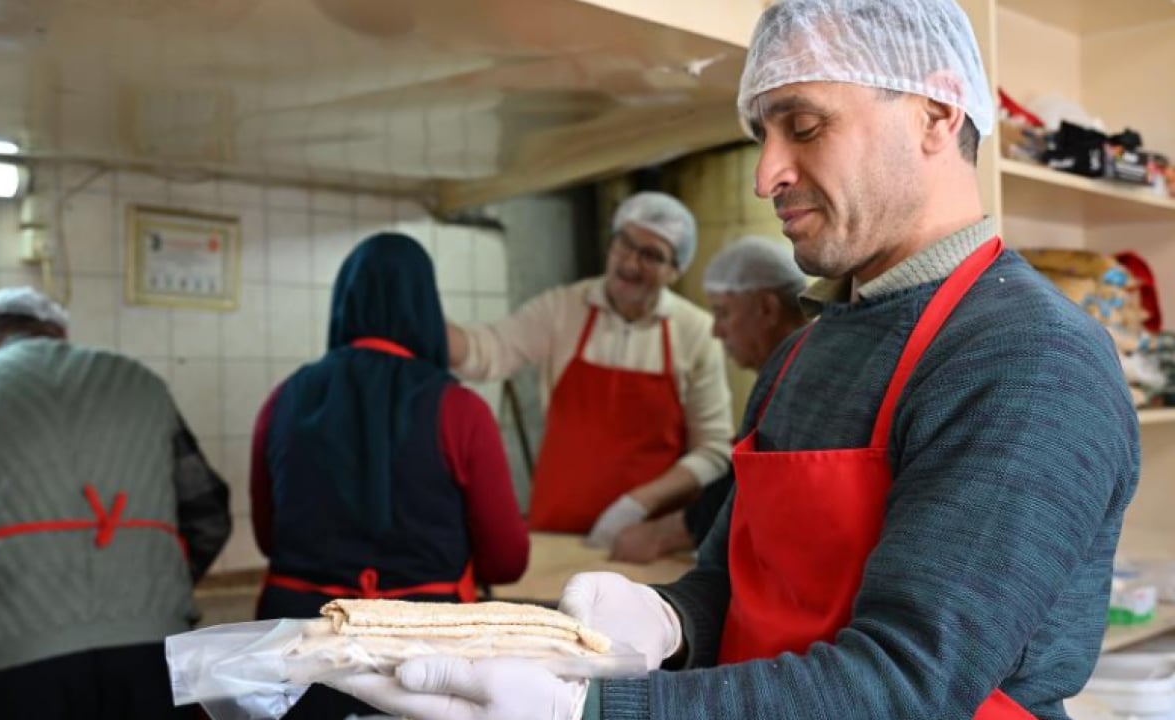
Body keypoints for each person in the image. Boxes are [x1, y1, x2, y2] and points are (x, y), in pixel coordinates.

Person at [328, 1, 1140, 718]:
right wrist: (671, 619)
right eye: (763, 135)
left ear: (935, 111)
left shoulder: (1029, 362)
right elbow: (734, 582)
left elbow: (908, 685)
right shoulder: (802, 357)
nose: (766, 175)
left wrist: (593, 711)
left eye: (806, 125)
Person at [0, 286, 232, 720]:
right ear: (60, 333)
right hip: (156, 659)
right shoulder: (141, 384)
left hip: (9, 667)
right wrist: (152, 588)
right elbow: (209, 518)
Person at [251, 232, 530, 720]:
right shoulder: (461, 410)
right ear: (428, 311)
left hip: (298, 657)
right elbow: (507, 560)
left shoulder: (283, 400)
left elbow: (268, 536)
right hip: (425, 664)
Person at [448, 191, 734, 548]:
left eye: (651, 255)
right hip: (555, 532)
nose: (630, 262)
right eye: (624, 243)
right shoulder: (563, 309)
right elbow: (485, 351)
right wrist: (427, 326)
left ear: (675, 271)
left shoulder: (696, 333)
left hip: (640, 544)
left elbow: (714, 452)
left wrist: (638, 504)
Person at [610, 235, 809, 564]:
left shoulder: (802, 383)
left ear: (767, 308)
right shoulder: (779, 377)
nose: (716, 332)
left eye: (723, 313)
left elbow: (758, 490)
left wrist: (663, 534)